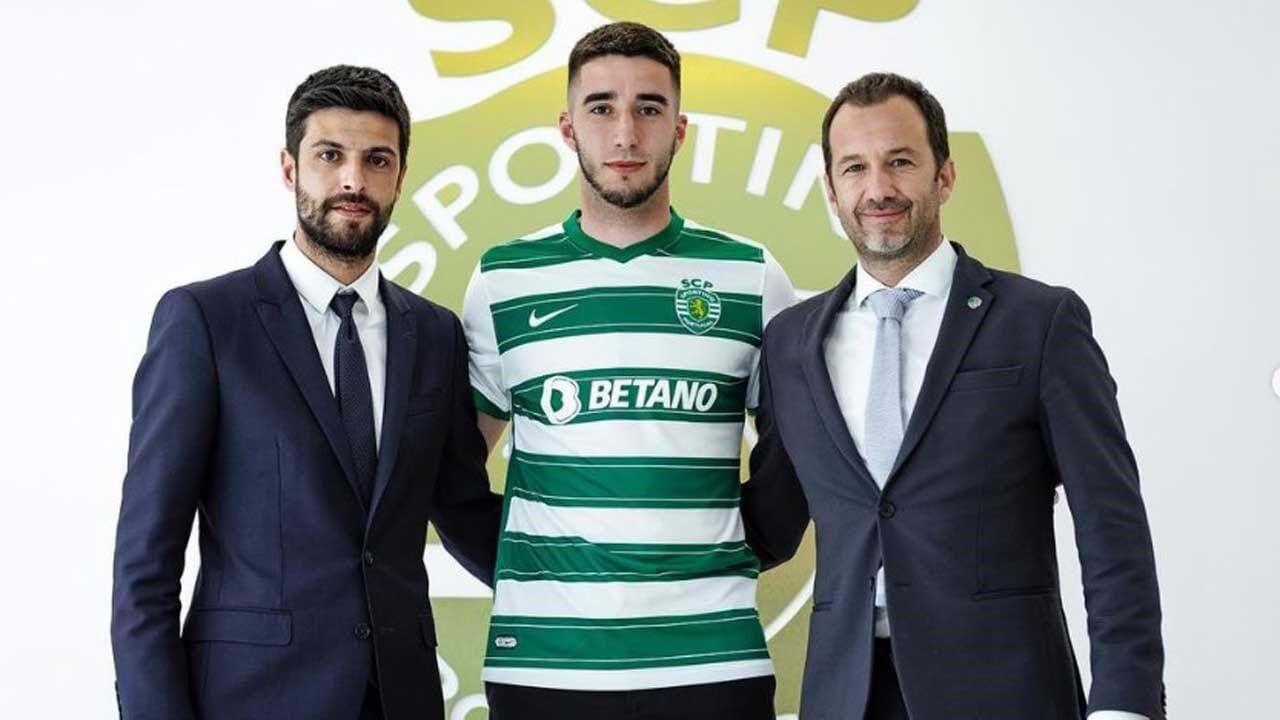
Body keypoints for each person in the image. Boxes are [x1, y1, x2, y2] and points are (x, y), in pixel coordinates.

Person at [741, 72, 1165, 719]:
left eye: (900, 162)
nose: (878, 189)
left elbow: (1112, 528)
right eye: (854, 168)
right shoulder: (791, 343)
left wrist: (1124, 703)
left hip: (1007, 693)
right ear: (831, 189)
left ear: (944, 175)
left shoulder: (1039, 323)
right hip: (845, 697)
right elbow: (770, 522)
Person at [110, 65, 502, 720]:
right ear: (290, 168)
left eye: (377, 160)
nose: (353, 180)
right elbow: (145, 564)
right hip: (251, 697)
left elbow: (463, 509)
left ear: (400, 176)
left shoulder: (435, 334)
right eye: (330, 156)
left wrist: (598, 584)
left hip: (402, 697)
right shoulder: (205, 321)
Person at [461, 22, 796, 720]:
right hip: (545, 661)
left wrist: (744, 545)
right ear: (568, 128)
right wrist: (528, 568)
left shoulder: (751, 274)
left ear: (680, 129)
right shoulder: (502, 278)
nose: (625, 134)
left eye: (649, 108)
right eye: (601, 108)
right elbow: (454, 470)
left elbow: (796, 451)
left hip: (713, 655)